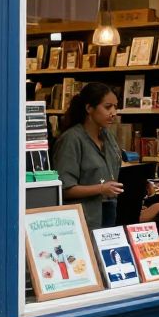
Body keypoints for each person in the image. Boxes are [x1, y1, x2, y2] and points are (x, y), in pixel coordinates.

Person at [53, 82, 124, 230]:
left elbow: (114, 173)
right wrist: (100, 189)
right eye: (107, 107)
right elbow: (63, 189)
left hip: (110, 214)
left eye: (115, 107)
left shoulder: (107, 136)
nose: (113, 112)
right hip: (83, 220)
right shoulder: (71, 139)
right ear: (89, 108)